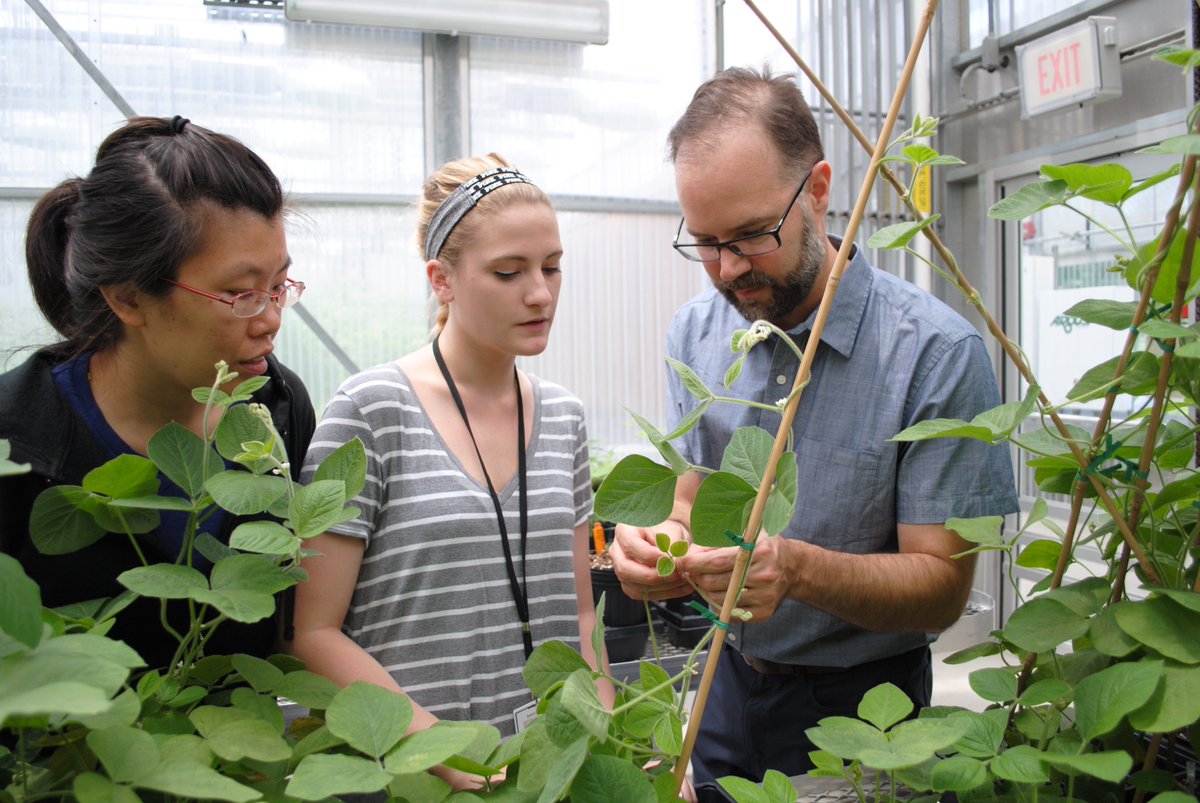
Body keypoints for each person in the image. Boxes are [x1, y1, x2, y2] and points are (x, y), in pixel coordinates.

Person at [610, 66, 1019, 793]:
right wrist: (660, 549)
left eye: (751, 234)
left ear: (821, 190)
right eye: (704, 241)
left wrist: (796, 569)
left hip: (866, 705)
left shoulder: (932, 353)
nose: (728, 267)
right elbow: (689, 502)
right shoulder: (697, 334)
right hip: (725, 681)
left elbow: (943, 587)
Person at [290, 154, 603, 790]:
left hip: (546, 772)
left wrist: (606, 737)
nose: (540, 292)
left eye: (552, 266)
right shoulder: (373, 411)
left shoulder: (564, 418)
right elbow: (312, 632)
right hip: (412, 776)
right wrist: (444, 755)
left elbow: (581, 616)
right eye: (508, 272)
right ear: (443, 280)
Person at [0, 115, 315, 669]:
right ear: (128, 298)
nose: (270, 320)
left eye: (278, 286)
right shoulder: (20, 437)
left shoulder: (277, 406)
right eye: (240, 294)